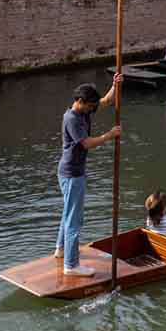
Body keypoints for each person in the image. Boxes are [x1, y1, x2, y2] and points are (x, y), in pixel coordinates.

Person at [54, 76, 122, 276]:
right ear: (80, 102)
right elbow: (86, 143)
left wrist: (115, 85)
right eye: (90, 106)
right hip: (72, 174)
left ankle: (61, 250)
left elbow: (106, 102)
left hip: (71, 172)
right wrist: (109, 135)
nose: (94, 109)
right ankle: (71, 266)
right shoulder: (72, 119)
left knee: (68, 212)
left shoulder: (85, 110)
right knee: (74, 220)